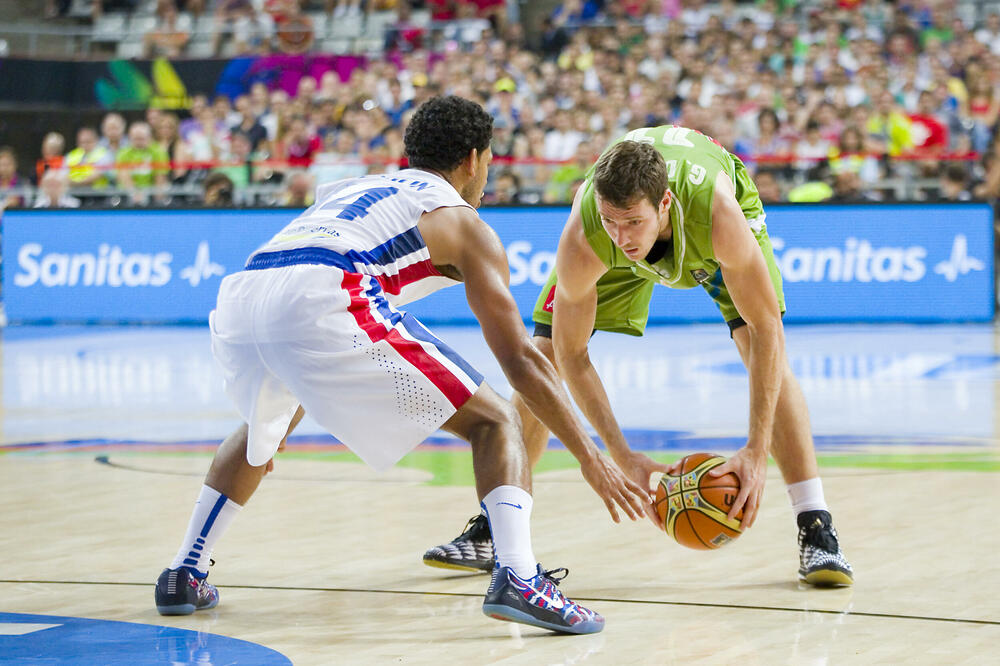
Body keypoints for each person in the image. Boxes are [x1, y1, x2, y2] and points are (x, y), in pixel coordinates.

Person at [153, 96, 651, 634]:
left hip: (245, 292)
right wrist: (590, 457)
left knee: (264, 428)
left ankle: (184, 570)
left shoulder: (361, 186)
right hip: (326, 288)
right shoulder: (465, 224)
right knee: (496, 421)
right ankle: (519, 577)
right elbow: (522, 362)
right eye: (488, 163)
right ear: (473, 159)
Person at [424, 125, 854, 588]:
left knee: (757, 347)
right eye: (612, 220)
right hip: (632, 220)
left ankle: (816, 528)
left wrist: (755, 449)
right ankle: (495, 527)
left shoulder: (718, 216)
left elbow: (769, 330)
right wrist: (621, 454)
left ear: (664, 204)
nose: (622, 236)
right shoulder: (589, 233)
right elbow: (571, 353)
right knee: (543, 355)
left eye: (632, 222)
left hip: (706, 224)